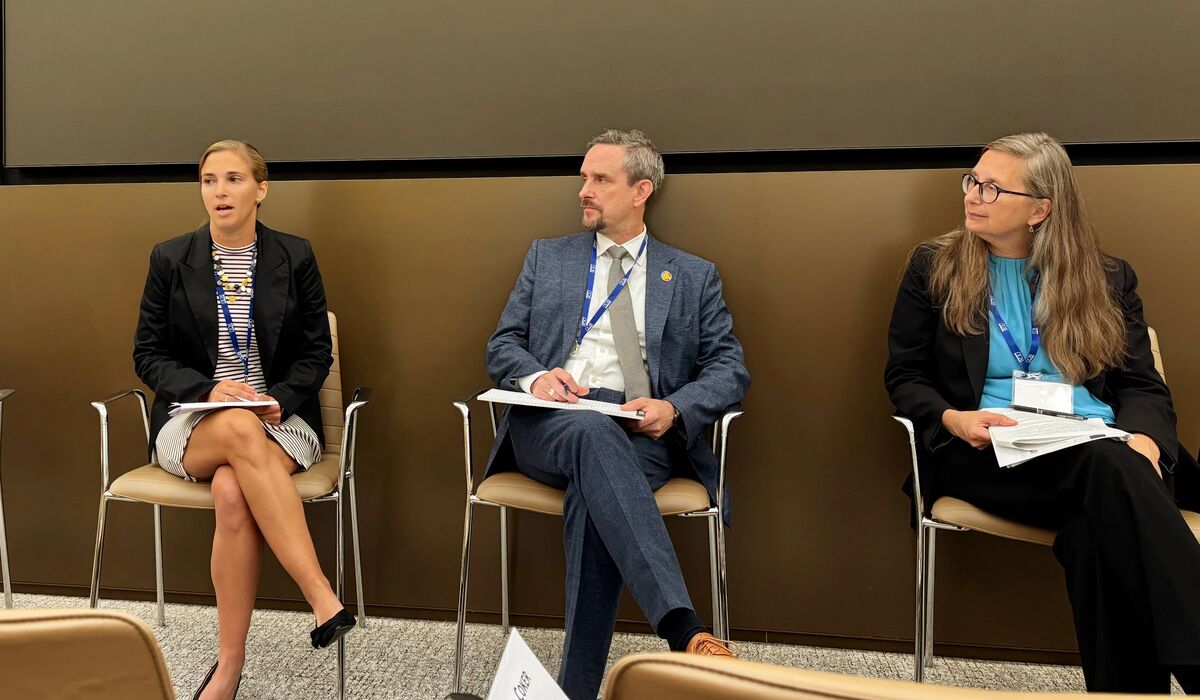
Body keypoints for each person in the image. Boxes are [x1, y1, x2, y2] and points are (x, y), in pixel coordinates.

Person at [885, 132, 1200, 693]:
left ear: (1040, 209)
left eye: (992, 187)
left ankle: (1130, 695)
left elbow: (1142, 386)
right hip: (988, 453)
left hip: (1103, 452)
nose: (973, 195)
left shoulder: (1106, 276)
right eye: (973, 180)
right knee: (1106, 466)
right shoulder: (933, 267)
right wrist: (954, 419)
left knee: (1092, 532)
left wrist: (1149, 442)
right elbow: (905, 376)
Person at [485, 129, 750, 699]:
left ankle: (575, 691)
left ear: (640, 191)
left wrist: (673, 407)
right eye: (584, 177)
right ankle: (684, 630)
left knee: (594, 488)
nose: (584, 190)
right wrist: (538, 375)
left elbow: (731, 370)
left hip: (641, 432)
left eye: (600, 180)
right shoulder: (547, 257)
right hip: (551, 422)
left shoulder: (692, 275)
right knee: (587, 431)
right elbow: (501, 345)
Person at [133, 140, 354, 700]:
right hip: (195, 420)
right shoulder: (170, 257)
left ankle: (228, 670)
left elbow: (315, 353)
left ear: (261, 188)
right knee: (234, 427)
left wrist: (278, 395)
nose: (220, 192)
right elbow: (148, 355)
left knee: (234, 490)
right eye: (209, 180)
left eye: (233, 179)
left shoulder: (294, 256)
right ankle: (321, 596)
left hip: (278, 418)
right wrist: (209, 388)